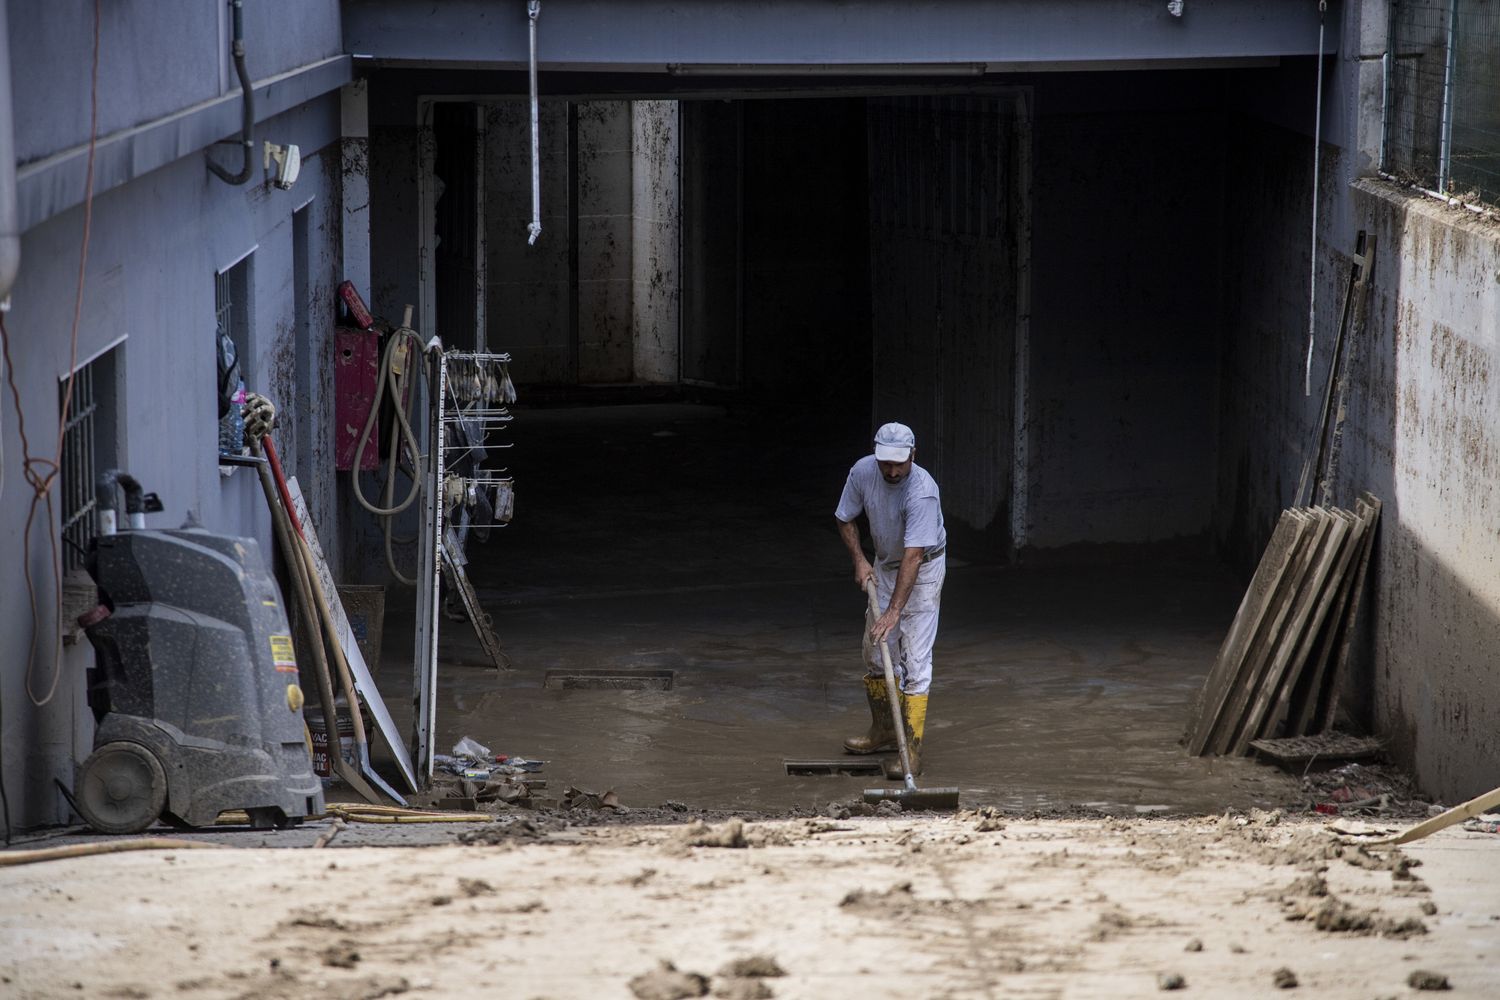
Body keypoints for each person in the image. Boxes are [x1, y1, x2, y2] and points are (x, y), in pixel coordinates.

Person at [834, 421, 947, 777]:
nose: (893, 471)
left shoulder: (922, 492)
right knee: (875, 651)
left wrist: (895, 610)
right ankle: (884, 730)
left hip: (923, 568)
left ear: (914, 455)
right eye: (886, 462)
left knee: (914, 659)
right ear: (875, 454)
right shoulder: (862, 472)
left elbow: (913, 556)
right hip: (884, 565)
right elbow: (845, 518)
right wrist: (860, 559)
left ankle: (909, 751)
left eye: (900, 463)